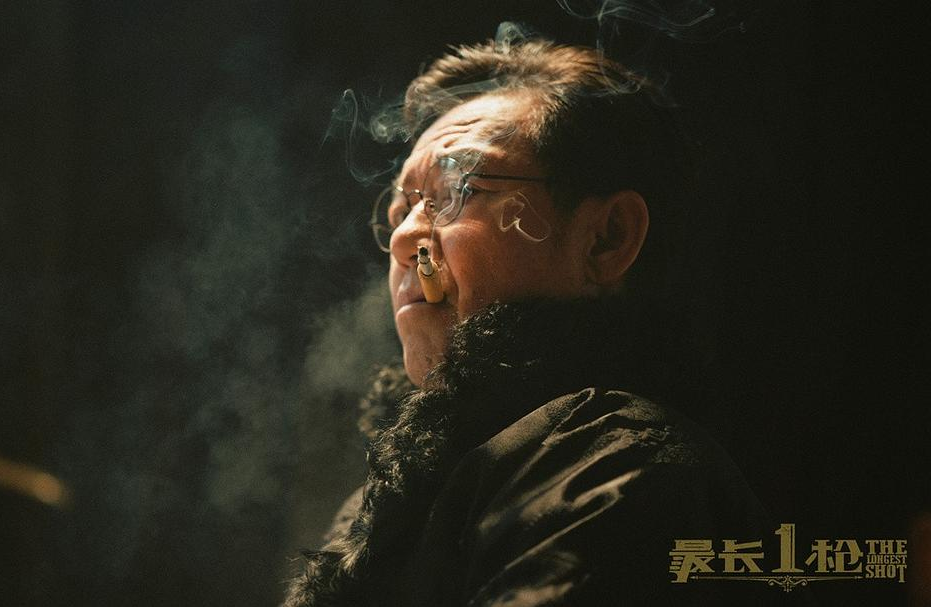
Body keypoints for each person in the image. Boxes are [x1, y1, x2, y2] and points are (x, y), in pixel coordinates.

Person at [284, 29, 792, 606]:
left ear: (606, 238)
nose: (404, 238)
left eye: (459, 189)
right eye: (401, 209)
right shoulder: (393, 500)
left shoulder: (618, 466)